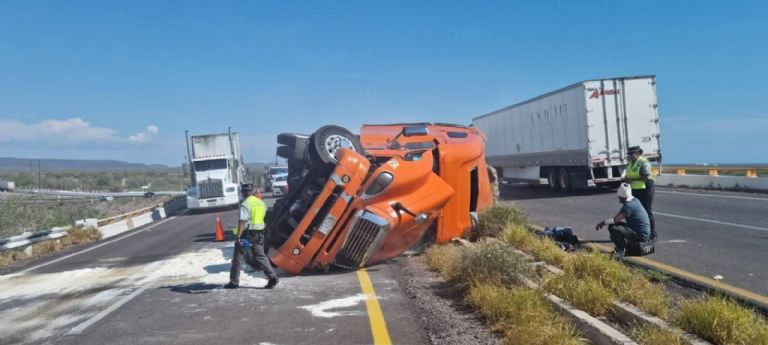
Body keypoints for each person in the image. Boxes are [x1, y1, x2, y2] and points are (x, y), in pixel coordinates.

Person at [224, 186, 279, 289]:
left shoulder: (245, 204)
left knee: (238, 257)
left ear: (243, 193)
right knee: (261, 256)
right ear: (253, 192)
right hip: (259, 233)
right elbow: (263, 216)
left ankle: (234, 281)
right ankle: (273, 278)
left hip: (247, 234)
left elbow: (242, 221)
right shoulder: (261, 203)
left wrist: (238, 236)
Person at [595, 183, 652, 260]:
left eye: (619, 197)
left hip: (641, 236)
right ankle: (625, 245)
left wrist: (602, 223)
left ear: (622, 197)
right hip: (642, 233)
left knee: (614, 228)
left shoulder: (629, 206)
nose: (619, 199)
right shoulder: (635, 200)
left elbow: (615, 219)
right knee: (615, 225)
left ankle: (620, 250)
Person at [623, 146, 657, 241]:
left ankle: (652, 233)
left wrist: (631, 179)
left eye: (631, 154)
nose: (630, 156)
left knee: (647, 210)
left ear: (638, 153)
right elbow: (628, 175)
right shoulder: (630, 163)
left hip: (646, 188)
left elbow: (645, 177)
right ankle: (636, 232)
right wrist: (625, 180)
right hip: (635, 189)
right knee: (634, 211)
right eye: (629, 154)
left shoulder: (644, 162)